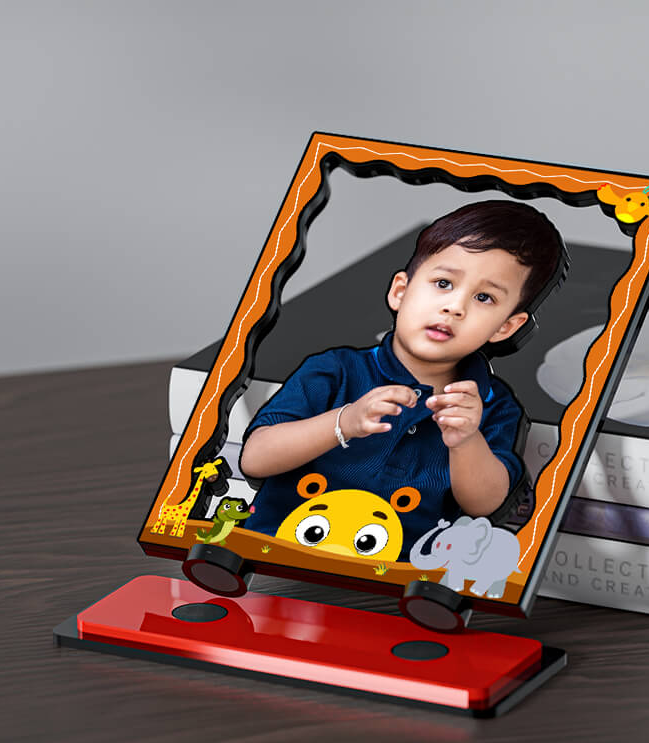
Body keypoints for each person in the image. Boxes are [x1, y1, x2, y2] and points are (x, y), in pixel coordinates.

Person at [239, 199, 566, 560]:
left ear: (506, 327)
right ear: (400, 291)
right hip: (278, 549)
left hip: (401, 571)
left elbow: (485, 505)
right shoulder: (335, 370)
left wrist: (466, 441)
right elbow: (255, 459)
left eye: (484, 297)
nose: (455, 307)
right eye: (443, 283)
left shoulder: (492, 405)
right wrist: (344, 422)